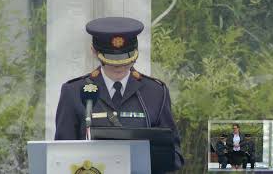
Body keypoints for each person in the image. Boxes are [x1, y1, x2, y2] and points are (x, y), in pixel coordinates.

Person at [54, 17, 184, 171]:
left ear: (136, 53)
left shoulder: (155, 92)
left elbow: (175, 156)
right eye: (110, 60)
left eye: (126, 60)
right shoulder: (74, 92)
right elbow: (60, 155)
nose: (119, 67)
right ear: (94, 52)